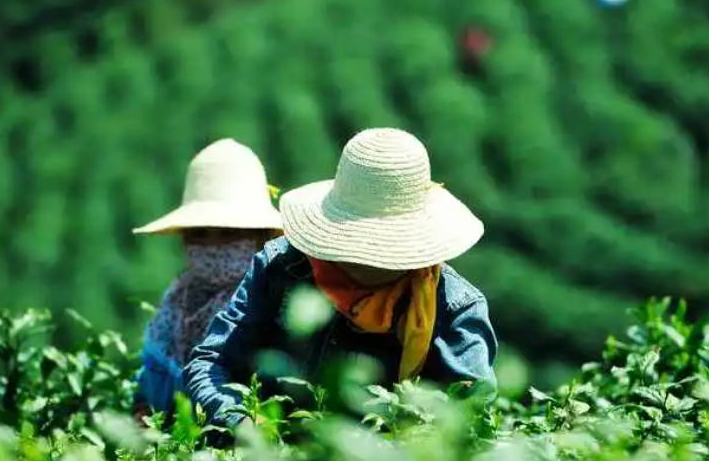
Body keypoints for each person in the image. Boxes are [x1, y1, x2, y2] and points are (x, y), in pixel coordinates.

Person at [183, 127, 498, 430]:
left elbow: (466, 422)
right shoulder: (282, 266)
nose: (366, 257)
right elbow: (211, 361)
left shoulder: (453, 308)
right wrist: (246, 427)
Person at [130, 138, 283, 424]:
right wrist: (142, 412)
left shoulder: (272, 305)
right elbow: (148, 378)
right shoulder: (178, 299)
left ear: (261, 235)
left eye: (228, 231)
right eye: (200, 232)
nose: (213, 245)